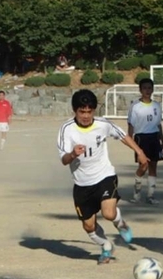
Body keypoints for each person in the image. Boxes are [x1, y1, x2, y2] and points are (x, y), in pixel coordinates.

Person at [57, 89, 149, 265]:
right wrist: (72, 155)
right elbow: (63, 160)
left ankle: (121, 224)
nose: (86, 116)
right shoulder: (66, 130)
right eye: (82, 111)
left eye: (89, 111)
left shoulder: (103, 124)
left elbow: (122, 135)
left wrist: (139, 151)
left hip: (104, 176)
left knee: (108, 213)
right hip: (82, 185)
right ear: (74, 111)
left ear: (94, 110)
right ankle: (106, 245)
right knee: (88, 226)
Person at [127, 78, 163, 205]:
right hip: (141, 138)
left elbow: (158, 124)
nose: (147, 91)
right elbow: (131, 126)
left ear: (152, 89)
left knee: (153, 166)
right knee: (143, 166)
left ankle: (150, 195)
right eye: (144, 88)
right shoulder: (135, 107)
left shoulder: (156, 105)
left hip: (154, 137)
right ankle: (137, 192)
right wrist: (131, 142)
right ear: (140, 90)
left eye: (149, 88)